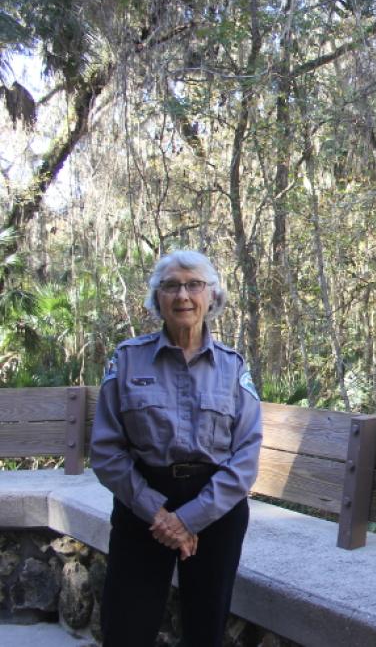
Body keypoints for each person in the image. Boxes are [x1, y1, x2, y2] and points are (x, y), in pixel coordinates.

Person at [91, 250, 262, 647]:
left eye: (194, 285)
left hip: (216, 509)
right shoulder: (127, 360)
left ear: (212, 297)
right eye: (171, 286)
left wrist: (190, 519)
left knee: (206, 629)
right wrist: (160, 514)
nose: (183, 295)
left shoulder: (233, 367)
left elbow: (246, 455)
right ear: (157, 299)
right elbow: (105, 450)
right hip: (142, 506)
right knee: (126, 626)